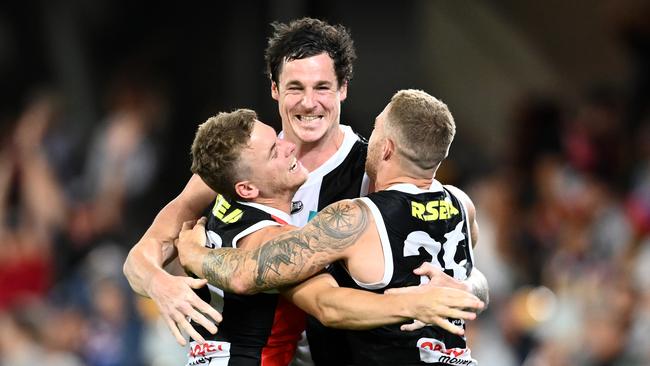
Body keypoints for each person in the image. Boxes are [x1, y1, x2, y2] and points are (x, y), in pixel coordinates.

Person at [122, 17, 488, 364]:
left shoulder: (375, 171)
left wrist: (467, 288)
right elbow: (141, 255)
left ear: (343, 89)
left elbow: (462, 266)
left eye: (322, 87)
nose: (309, 102)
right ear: (274, 88)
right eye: (295, 87)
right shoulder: (237, 168)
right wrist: (160, 285)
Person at [176, 89, 486, 366]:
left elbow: (258, 277)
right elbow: (470, 278)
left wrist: (192, 255)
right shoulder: (463, 203)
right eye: (274, 148)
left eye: (375, 129)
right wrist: (463, 293)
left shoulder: (352, 218)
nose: (288, 147)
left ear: (387, 148)